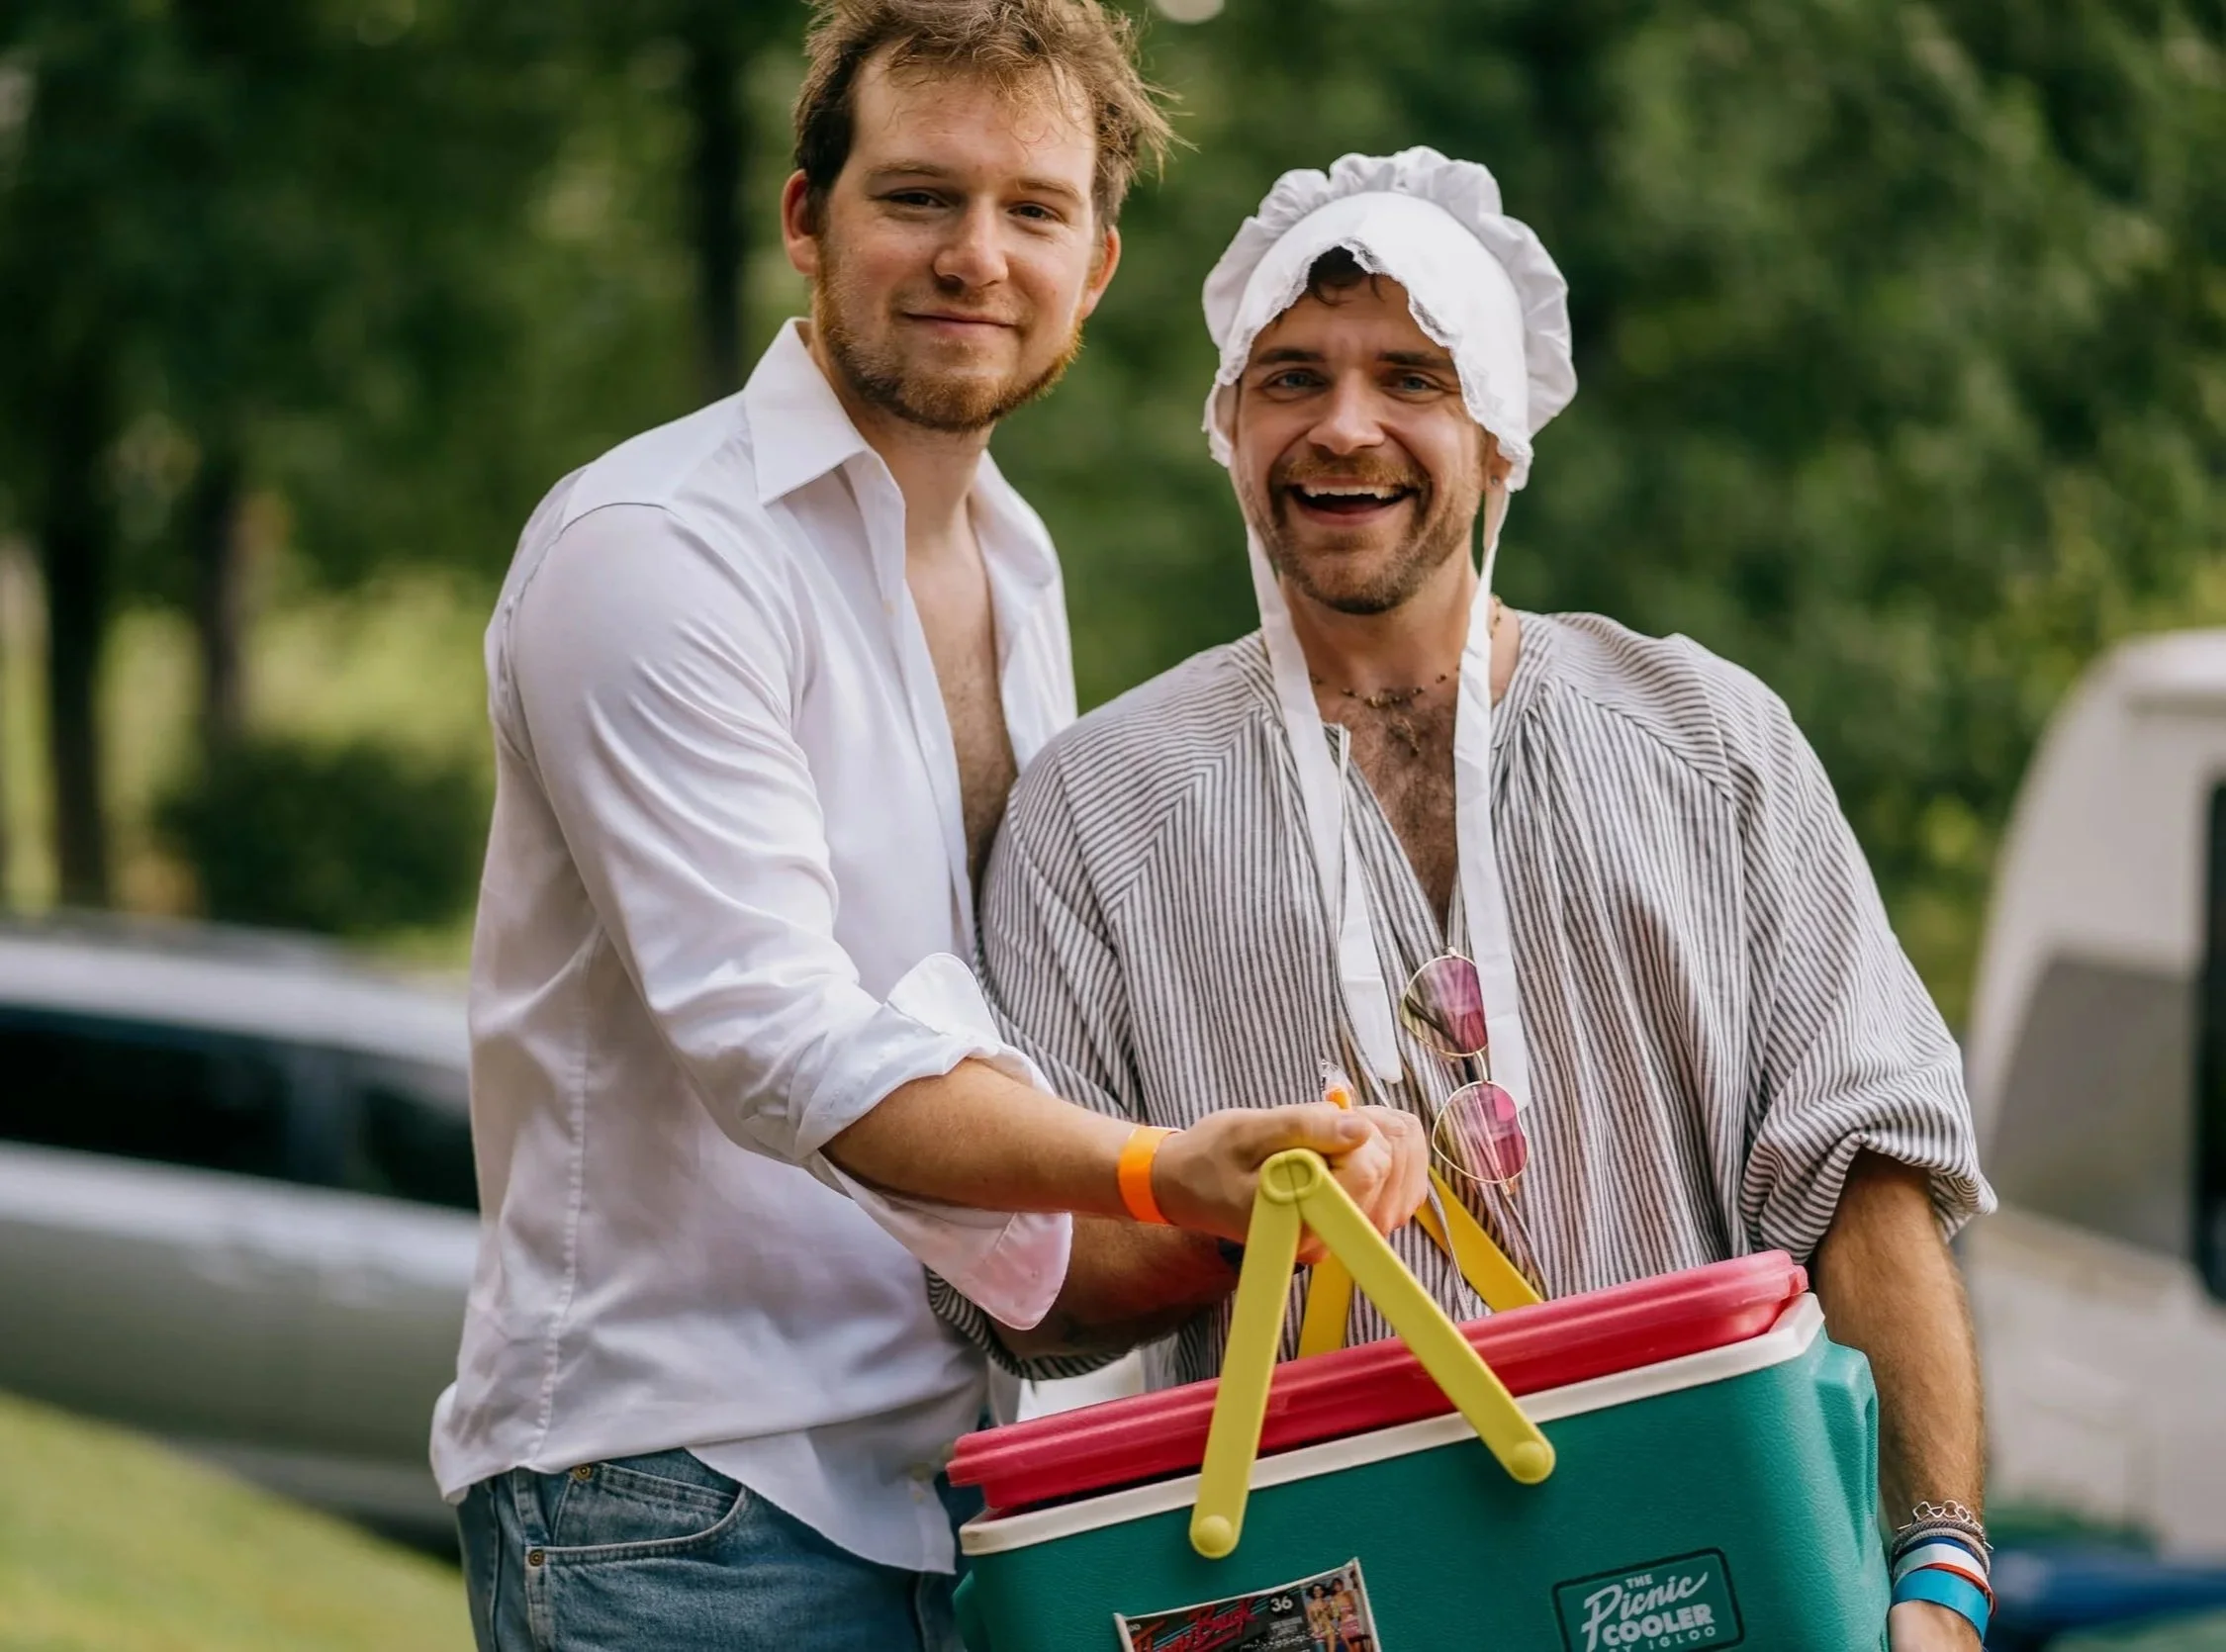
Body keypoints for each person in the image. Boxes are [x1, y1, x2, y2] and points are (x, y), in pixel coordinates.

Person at [433, 12, 1423, 1651]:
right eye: (917, 197)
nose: (976, 256)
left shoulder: (1019, 571)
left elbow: (995, 1045)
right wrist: (1157, 1164)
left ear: (1094, 270)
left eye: (1030, 211)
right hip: (677, 1498)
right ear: (804, 220)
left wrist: (1267, 1181)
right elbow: (777, 1038)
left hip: (953, 1494)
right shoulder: (655, 553)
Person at [937, 149, 1998, 1651]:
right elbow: (1027, 1288)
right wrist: (1236, 1206)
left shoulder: (1711, 741)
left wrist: (1936, 1574)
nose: (1342, 425)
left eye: (1410, 376)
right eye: (1290, 376)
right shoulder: (1092, 808)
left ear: (1499, 433)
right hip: (1330, 1584)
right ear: (1230, 428)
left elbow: (1864, 1180)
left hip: (1702, 1561)